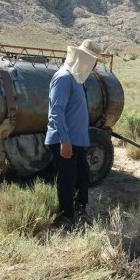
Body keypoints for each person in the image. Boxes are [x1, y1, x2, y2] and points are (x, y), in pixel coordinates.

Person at [45, 39, 101, 226]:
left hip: (78, 141)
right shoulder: (63, 78)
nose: (93, 65)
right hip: (65, 140)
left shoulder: (78, 80)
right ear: (81, 58)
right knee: (67, 180)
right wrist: (65, 140)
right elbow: (56, 112)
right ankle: (66, 217)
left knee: (82, 178)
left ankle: (80, 211)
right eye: (91, 61)